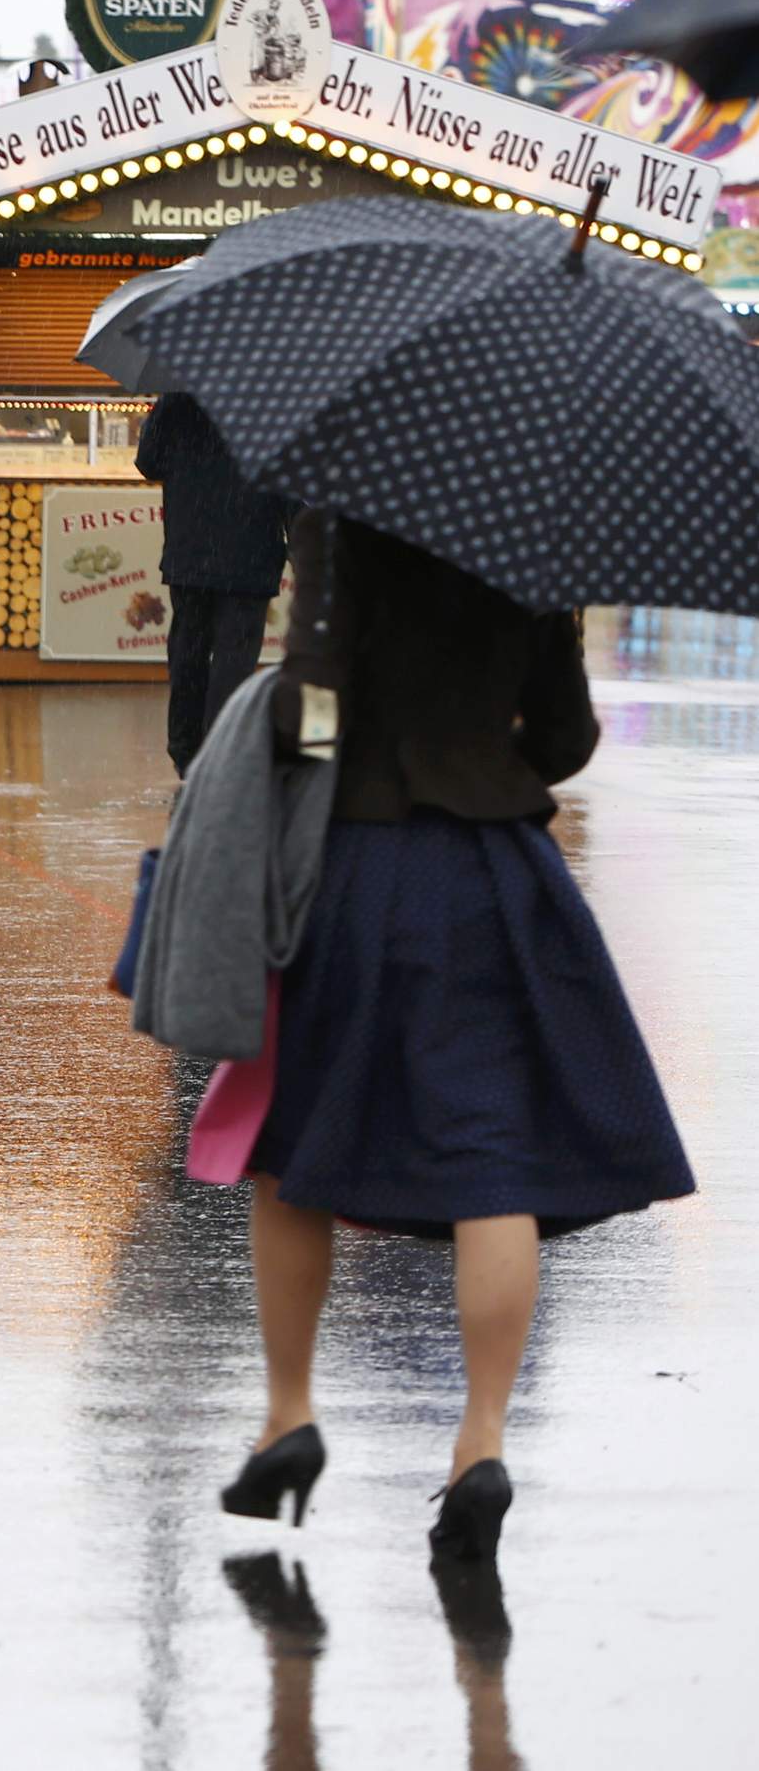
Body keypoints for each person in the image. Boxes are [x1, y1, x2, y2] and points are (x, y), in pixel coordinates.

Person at [206, 512, 691, 1565]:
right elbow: (564, 738)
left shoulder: (342, 512)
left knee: (291, 1153)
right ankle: (477, 1443)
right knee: (490, 1160)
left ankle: (286, 1418)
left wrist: (315, 749)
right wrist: (479, 756)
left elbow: (310, 696)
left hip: (358, 864)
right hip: (497, 876)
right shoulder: (536, 537)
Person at [140, 389, 288, 774]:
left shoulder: (178, 397)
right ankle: (223, 754)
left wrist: (157, 413)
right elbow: (291, 479)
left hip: (191, 551)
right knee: (234, 660)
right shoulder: (274, 401)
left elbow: (148, 463)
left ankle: (185, 747)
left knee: (188, 652)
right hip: (252, 551)